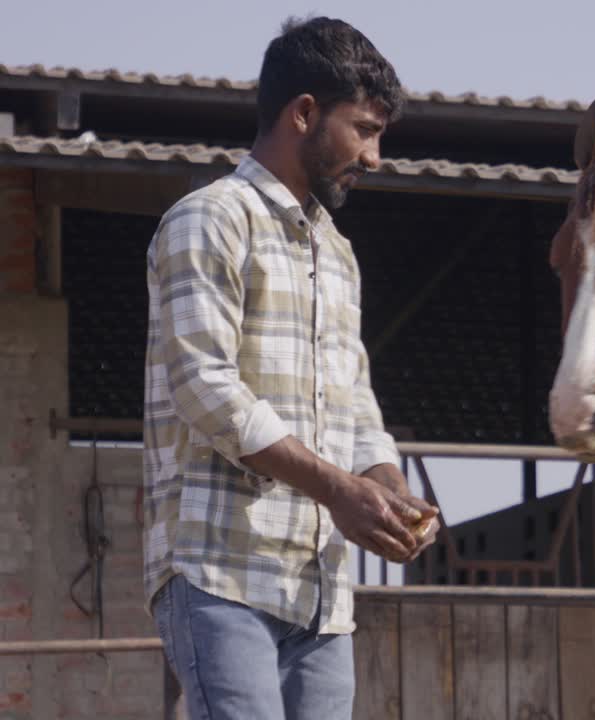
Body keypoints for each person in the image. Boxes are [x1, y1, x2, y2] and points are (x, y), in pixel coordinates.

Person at [142, 16, 438, 719]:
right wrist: (338, 490)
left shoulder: (336, 252)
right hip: (221, 570)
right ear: (304, 113)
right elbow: (206, 390)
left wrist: (387, 488)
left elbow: (354, 402)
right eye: (363, 129)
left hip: (320, 593)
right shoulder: (209, 220)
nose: (373, 156)